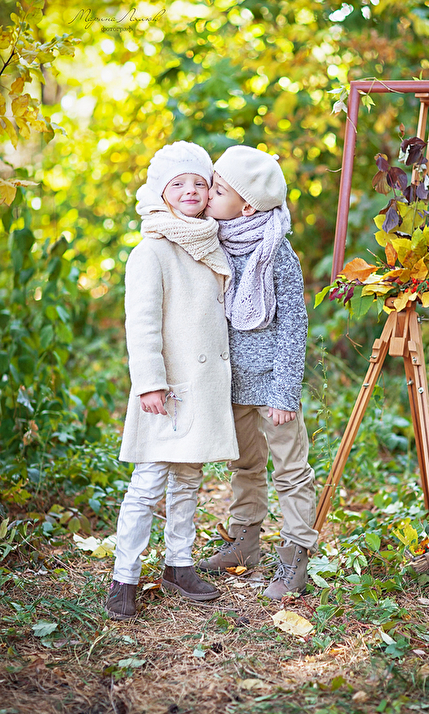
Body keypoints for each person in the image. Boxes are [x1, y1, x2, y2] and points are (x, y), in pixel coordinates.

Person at [105, 141, 239, 621]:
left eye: (199, 183)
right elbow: (141, 324)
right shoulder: (152, 250)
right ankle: (124, 576)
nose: (190, 191)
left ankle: (179, 564)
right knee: (148, 483)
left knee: (188, 480)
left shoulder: (210, 243)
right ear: (160, 191)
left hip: (202, 384)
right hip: (168, 388)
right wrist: (150, 383)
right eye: (178, 183)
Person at [198, 145, 318, 600]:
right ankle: (245, 542)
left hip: (271, 385)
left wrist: (285, 392)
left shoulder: (277, 252)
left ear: (247, 206)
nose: (208, 195)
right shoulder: (211, 241)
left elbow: (293, 324)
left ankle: (295, 556)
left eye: (218, 190)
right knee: (244, 465)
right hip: (232, 382)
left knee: (290, 469)